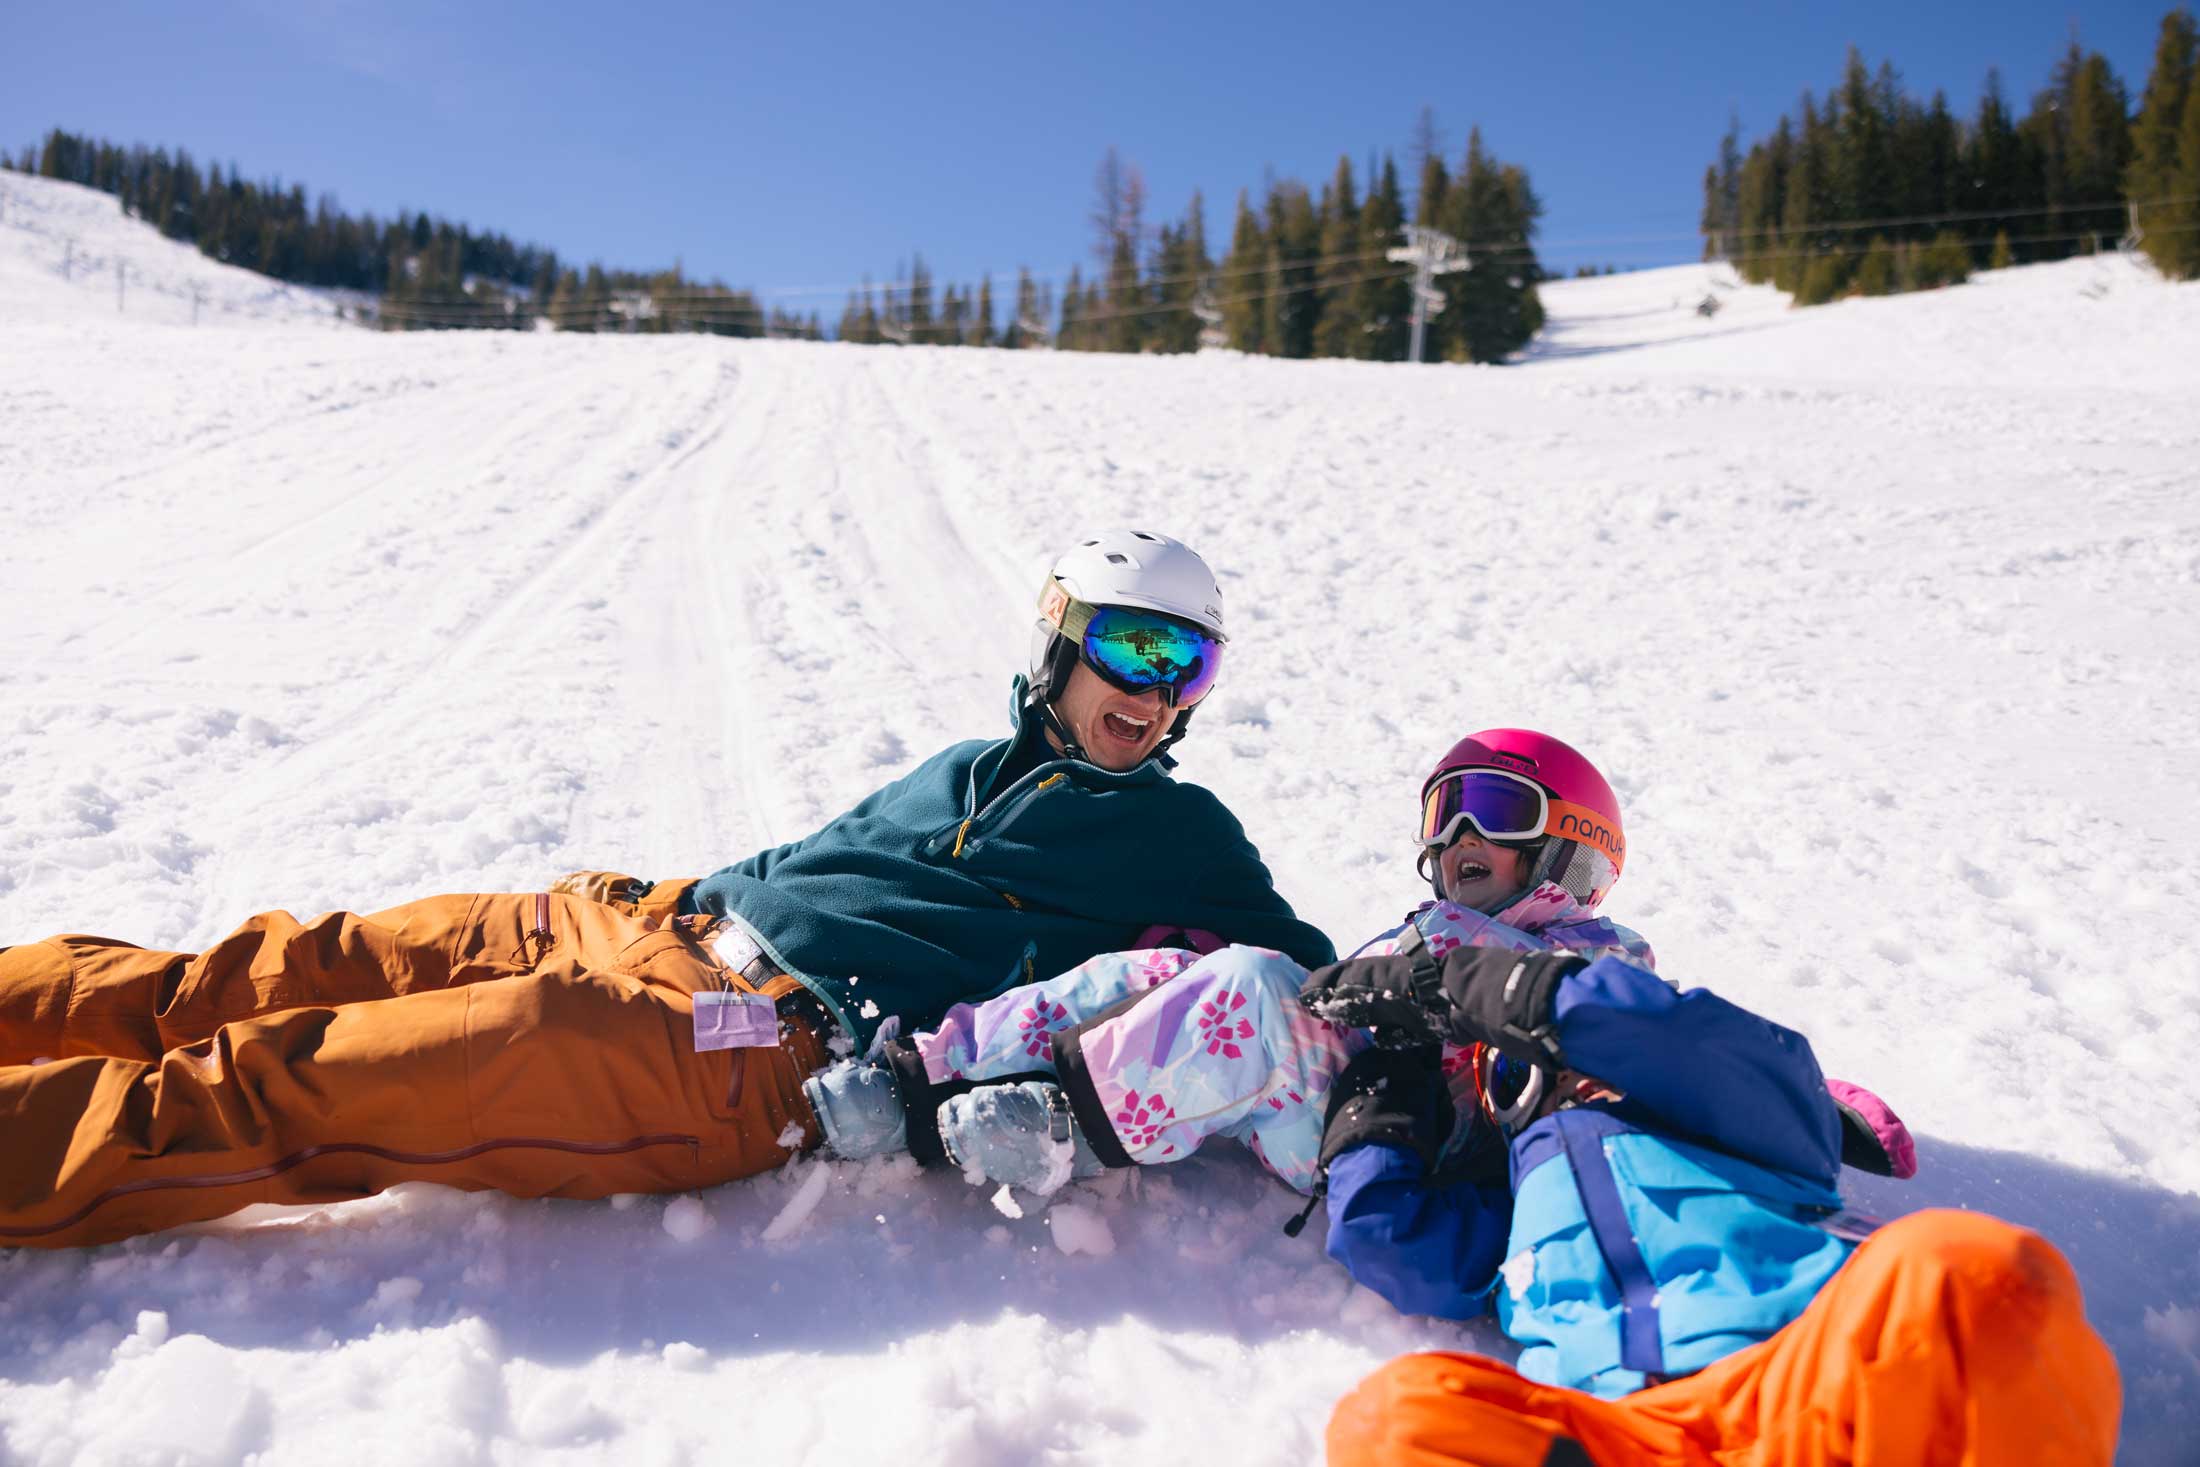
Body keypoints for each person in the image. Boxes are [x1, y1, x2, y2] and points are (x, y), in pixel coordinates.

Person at [0, 530, 1334, 1250]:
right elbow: (827, 863)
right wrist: (654, 898)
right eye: (1133, 645)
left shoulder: (1187, 841)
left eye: (1189, 668)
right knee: (263, 967)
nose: (1157, 691)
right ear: (1061, 640)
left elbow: (1317, 996)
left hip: (744, 1048)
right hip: (659, 922)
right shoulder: (968, 763)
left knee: (285, 1076)